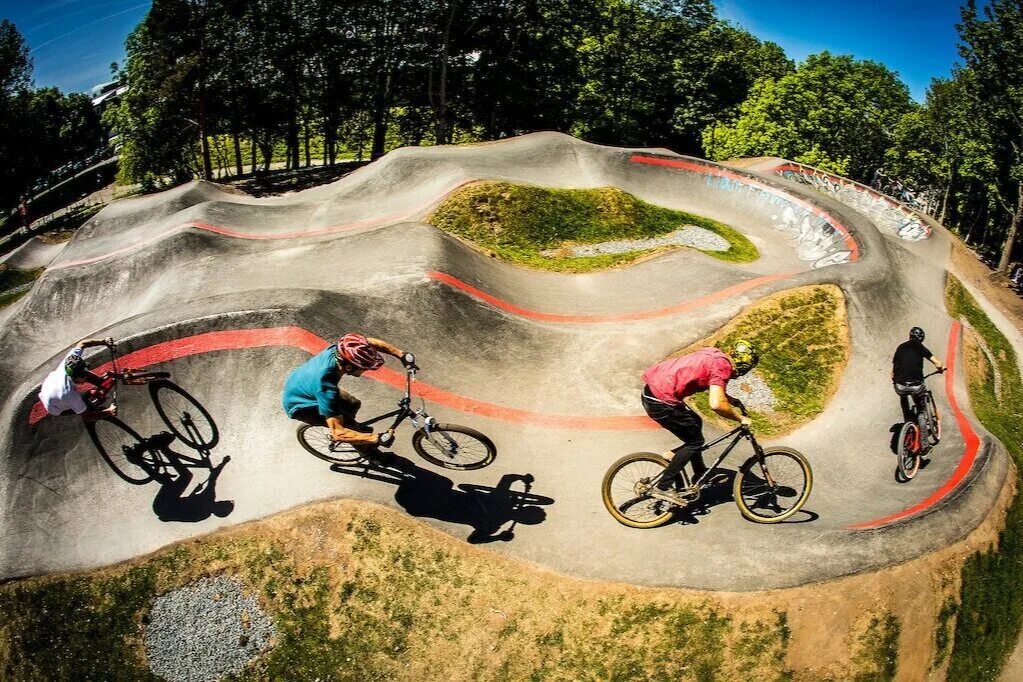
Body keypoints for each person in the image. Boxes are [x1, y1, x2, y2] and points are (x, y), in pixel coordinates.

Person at [641, 339, 759, 503]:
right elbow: (716, 404)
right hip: (661, 402)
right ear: (743, 364)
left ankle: (698, 471)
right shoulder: (722, 367)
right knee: (695, 442)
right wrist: (741, 418)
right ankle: (663, 487)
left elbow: (705, 378)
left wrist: (731, 400)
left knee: (695, 422)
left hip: (653, 391)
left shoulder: (715, 354)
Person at [282, 332, 415, 453]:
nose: (365, 371)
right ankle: (371, 455)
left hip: (302, 385)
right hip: (300, 406)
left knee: (353, 403)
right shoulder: (327, 390)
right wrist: (376, 438)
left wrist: (401, 354)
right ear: (349, 367)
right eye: (363, 368)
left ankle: (352, 428)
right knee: (349, 426)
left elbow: (368, 343)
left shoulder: (341, 350)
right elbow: (338, 433)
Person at [38, 337, 117, 420]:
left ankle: (89, 396)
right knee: (87, 408)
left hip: (50, 386)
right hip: (56, 408)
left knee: (90, 380)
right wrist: (109, 412)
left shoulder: (71, 361)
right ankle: (86, 407)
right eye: (83, 377)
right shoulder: (69, 395)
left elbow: (83, 344)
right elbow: (87, 417)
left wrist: (104, 341)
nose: (86, 377)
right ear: (78, 378)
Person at [892, 327, 944, 425]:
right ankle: (923, 440)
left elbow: (892, 373)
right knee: (921, 411)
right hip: (916, 386)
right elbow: (937, 363)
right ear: (921, 339)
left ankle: (907, 420)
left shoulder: (900, 347)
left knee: (903, 396)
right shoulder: (921, 348)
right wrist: (940, 369)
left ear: (910, 336)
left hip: (899, 386)